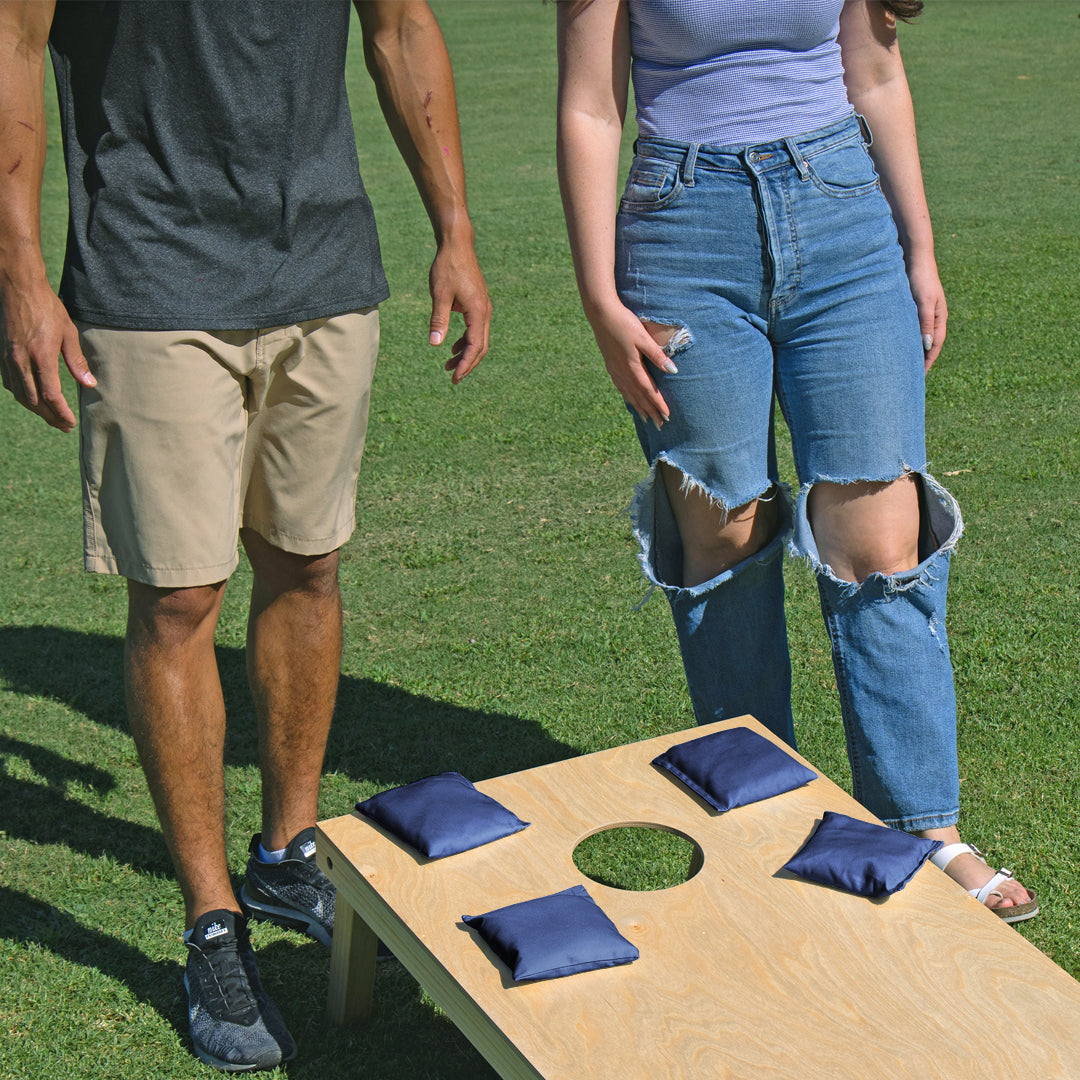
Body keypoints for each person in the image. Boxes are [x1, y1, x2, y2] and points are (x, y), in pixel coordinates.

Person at [0, 0, 490, 1070]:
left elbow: (401, 25)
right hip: (149, 271)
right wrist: (21, 278)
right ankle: (211, 922)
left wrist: (453, 228)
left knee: (309, 566)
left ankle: (287, 849)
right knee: (178, 599)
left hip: (324, 265)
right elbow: (16, 43)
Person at [556, 0, 1037, 924]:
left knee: (883, 547)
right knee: (725, 541)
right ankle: (760, 823)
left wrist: (921, 247)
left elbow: (875, 69)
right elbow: (592, 106)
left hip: (843, 214)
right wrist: (597, 296)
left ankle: (923, 831)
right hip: (682, 227)